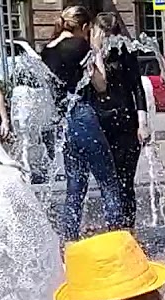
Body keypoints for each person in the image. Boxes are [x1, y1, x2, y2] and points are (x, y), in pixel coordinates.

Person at [40, 6, 126, 241]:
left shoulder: (47, 49)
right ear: (85, 27)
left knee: (75, 187)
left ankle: (70, 241)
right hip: (83, 117)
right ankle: (116, 239)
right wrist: (96, 50)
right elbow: (101, 84)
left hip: (64, 122)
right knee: (108, 181)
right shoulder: (80, 46)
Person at [94, 12, 150, 228]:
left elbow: (137, 88)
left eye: (108, 32)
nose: (104, 36)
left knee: (125, 180)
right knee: (109, 181)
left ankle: (127, 228)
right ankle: (113, 226)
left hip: (126, 122)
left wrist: (142, 123)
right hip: (100, 123)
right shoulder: (90, 54)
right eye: (101, 31)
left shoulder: (124, 52)